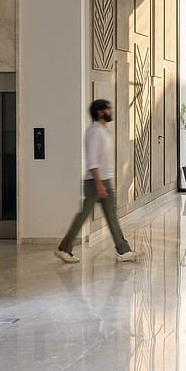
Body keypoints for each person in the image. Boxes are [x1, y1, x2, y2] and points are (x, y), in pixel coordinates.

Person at [56, 99, 138, 263]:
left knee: (110, 216)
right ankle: (64, 248)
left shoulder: (102, 130)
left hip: (102, 179)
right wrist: (99, 184)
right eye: (109, 109)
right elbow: (92, 161)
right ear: (100, 112)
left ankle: (123, 250)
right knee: (85, 215)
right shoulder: (95, 132)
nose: (111, 111)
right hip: (96, 181)